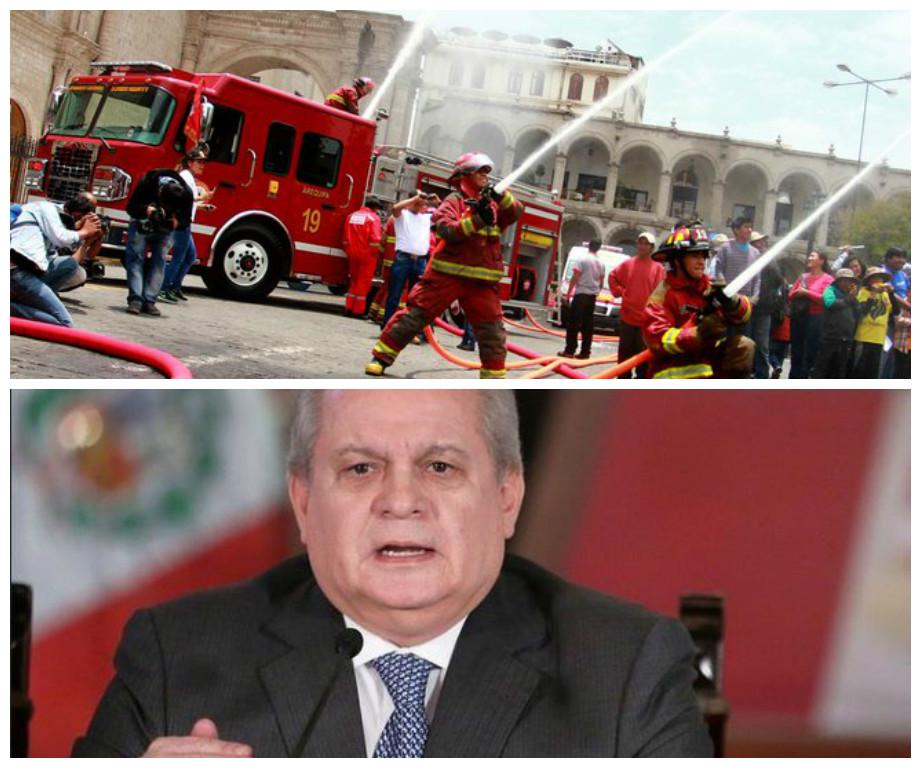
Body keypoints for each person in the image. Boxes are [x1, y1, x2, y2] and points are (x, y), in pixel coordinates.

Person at [72, 390, 712, 758]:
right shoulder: (174, 653)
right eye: (360, 469)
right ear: (302, 503)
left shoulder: (628, 667)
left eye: (440, 467)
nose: (399, 500)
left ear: (507, 497)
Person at [366, 153, 523, 379]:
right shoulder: (453, 201)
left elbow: (516, 211)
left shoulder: (494, 204)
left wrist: (501, 195)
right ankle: (380, 358)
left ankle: (494, 376)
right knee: (414, 316)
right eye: (479, 171)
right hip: (447, 276)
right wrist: (478, 220)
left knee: (492, 331)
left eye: (486, 172)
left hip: (482, 283)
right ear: (464, 175)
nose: (484, 176)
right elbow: (447, 230)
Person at [643, 222, 754, 379]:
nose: (702, 261)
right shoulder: (663, 295)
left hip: (708, 365)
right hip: (672, 372)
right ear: (677, 260)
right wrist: (697, 335)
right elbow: (657, 339)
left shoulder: (709, 286)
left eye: (703, 255)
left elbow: (744, 315)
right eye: (695, 255)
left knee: (744, 346)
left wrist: (733, 302)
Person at [10, 192, 102, 326]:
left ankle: (24, 304)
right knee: (65, 323)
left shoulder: (52, 226)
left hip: (27, 273)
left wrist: (89, 240)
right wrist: (84, 232)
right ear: (75, 213)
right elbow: (61, 237)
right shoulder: (46, 208)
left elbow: (59, 263)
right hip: (17, 273)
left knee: (70, 265)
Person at [123, 169, 194, 316]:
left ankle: (149, 301)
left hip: (165, 230)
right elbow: (130, 208)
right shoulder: (148, 182)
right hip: (141, 222)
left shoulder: (186, 193)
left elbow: (186, 221)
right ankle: (135, 299)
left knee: (160, 261)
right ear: (160, 192)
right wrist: (145, 210)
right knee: (136, 258)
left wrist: (176, 223)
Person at [159, 146, 214, 304]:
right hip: (181, 223)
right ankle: (164, 288)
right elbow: (183, 198)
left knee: (190, 257)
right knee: (180, 257)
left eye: (204, 162)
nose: (202, 165)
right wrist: (203, 197)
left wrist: (203, 206)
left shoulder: (188, 176)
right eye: (199, 162)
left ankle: (174, 286)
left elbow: (188, 201)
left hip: (185, 222)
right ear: (190, 162)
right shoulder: (184, 176)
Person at [608, 232, 663, 378]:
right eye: (640, 242)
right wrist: (620, 291)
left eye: (646, 243)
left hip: (646, 321)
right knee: (625, 354)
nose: (642, 246)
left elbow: (663, 294)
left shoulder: (658, 269)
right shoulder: (628, 263)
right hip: (627, 317)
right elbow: (613, 276)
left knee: (643, 358)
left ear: (652, 248)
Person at [381, 193, 437, 327]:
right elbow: (395, 208)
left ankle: (408, 329)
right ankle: (388, 326)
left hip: (420, 261)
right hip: (403, 259)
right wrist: (414, 199)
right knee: (395, 295)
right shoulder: (403, 215)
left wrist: (435, 201)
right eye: (417, 200)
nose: (419, 203)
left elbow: (443, 213)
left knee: (416, 299)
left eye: (421, 201)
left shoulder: (426, 218)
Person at [788, 250, 833, 378]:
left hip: (816, 318)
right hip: (799, 317)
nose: (809, 258)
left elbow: (825, 299)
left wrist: (806, 293)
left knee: (811, 351)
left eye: (813, 256)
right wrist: (799, 292)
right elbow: (790, 294)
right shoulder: (802, 277)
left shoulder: (828, 279)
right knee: (796, 350)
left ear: (821, 261)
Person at [710, 216, 761, 329]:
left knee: (743, 340)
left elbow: (757, 279)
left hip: (745, 305)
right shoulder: (725, 248)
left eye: (751, 227)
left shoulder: (755, 253)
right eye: (746, 227)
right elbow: (718, 271)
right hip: (727, 303)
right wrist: (726, 292)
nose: (750, 230)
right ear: (736, 230)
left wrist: (754, 299)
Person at [559, 238, 606, 359]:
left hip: (581, 294)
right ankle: (585, 352)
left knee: (573, 323)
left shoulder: (582, 259)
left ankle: (570, 350)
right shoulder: (601, 263)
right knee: (588, 325)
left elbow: (576, 276)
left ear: (589, 246)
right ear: (598, 248)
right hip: (592, 297)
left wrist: (569, 293)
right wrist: (596, 292)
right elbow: (601, 282)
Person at [748, 232, 784, 379]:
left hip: (764, 308)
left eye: (763, 242)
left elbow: (778, 279)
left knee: (762, 345)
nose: (762, 244)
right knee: (747, 342)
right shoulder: (748, 258)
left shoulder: (770, 260)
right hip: (747, 306)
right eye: (758, 242)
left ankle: (762, 375)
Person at [811, 268, 859, 378]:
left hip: (846, 339)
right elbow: (830, 304)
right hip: (830, 337)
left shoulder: (852, 298)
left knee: (840, 370)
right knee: (823, 367)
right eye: (844, 280)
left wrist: (853, 299)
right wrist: (848, 298)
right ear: (838, 281)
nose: (847, 283)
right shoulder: (830, 290)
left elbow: (858, 313)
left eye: (849, 281)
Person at [342, 196, 384, 318]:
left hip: (351, 252)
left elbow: (345, 236)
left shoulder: (352, 216)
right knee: (363, 283)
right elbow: (375, 239)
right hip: (367, 255)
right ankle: (358, 311)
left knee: (354, 281)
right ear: (375, 208)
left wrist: (349, 249)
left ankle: (348, 307)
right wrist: (378, 254)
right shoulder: (373, 218)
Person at [849, 266, 893, 379]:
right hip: (863, 337)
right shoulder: (862, 293)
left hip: (878, 339)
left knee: (872, 372)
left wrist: (891, 293)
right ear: (868, 281)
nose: (878, 281)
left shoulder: (885, 294)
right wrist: (872, 294)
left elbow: (895, 311)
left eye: (880, 278)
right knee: (859, 370)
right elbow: (862, 312)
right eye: (874, 278)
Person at [369, 215, 397, 325]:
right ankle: (382, 314)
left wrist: (381, 257)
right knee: (394, 287)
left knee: (386, 285)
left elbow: (383, 239)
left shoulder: (391, 218)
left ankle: (374, 310)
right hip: (399, 256)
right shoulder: (408, 219)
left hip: (388, 256)